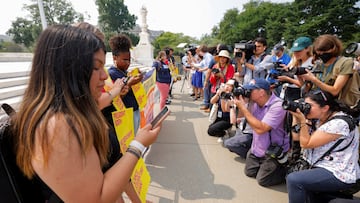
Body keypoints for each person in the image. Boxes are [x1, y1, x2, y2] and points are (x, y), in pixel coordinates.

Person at [12, 25, 161, 202]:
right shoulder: (60, 127)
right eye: (96, 67)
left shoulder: (68, 115)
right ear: (70, 69)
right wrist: (138, 145)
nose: (105, 77)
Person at [286, 90, 360, 203]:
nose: (305, 108)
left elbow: (305, 144)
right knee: (293, 177)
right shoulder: (320, 118)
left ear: (325, 108)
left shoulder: (339, 123)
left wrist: (302, 120)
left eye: (309, 106)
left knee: (294, 180)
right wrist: (296, 118)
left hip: (339, 171)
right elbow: (297, 138)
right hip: (320, 164)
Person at [230, 78, 289, 187]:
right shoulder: (254, 102)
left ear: (261, 92)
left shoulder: (278, 106)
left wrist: (244, 109)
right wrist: (239, 104)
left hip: (272, 150)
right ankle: (265, 166)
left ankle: (285, 170)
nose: (247, 93)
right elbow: (239, 119)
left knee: (262, 180)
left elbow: (261, 129)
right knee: (249, 172)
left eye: (250, 91)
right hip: (257, 148)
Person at [300, 34, 358, 109]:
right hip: (320, 102)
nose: (322, 55)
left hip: (339, 105)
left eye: (324, 52)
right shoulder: (319, 64)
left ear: (333, 49)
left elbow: (335, 91)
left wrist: (314, 79)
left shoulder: (345, 63)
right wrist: (302, 78)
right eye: (319, 53)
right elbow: (308, 90)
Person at [103, 34, 143, 135]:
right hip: (124, 115)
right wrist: (129, 84)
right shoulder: (111, 74)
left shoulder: (125, 72)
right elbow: (115, 99)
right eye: (124, 60)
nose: (128, 63)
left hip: (134, 110)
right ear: (115, 58)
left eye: (129, 60)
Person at [277, 36, 313, 101]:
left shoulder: (311, 63)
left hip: (299, 93)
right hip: (287, 90)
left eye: (299, 51)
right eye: (294, 51)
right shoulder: (295, 60)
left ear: (308, 49)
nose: (296, 53)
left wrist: (288, 79)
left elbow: (306, 86)